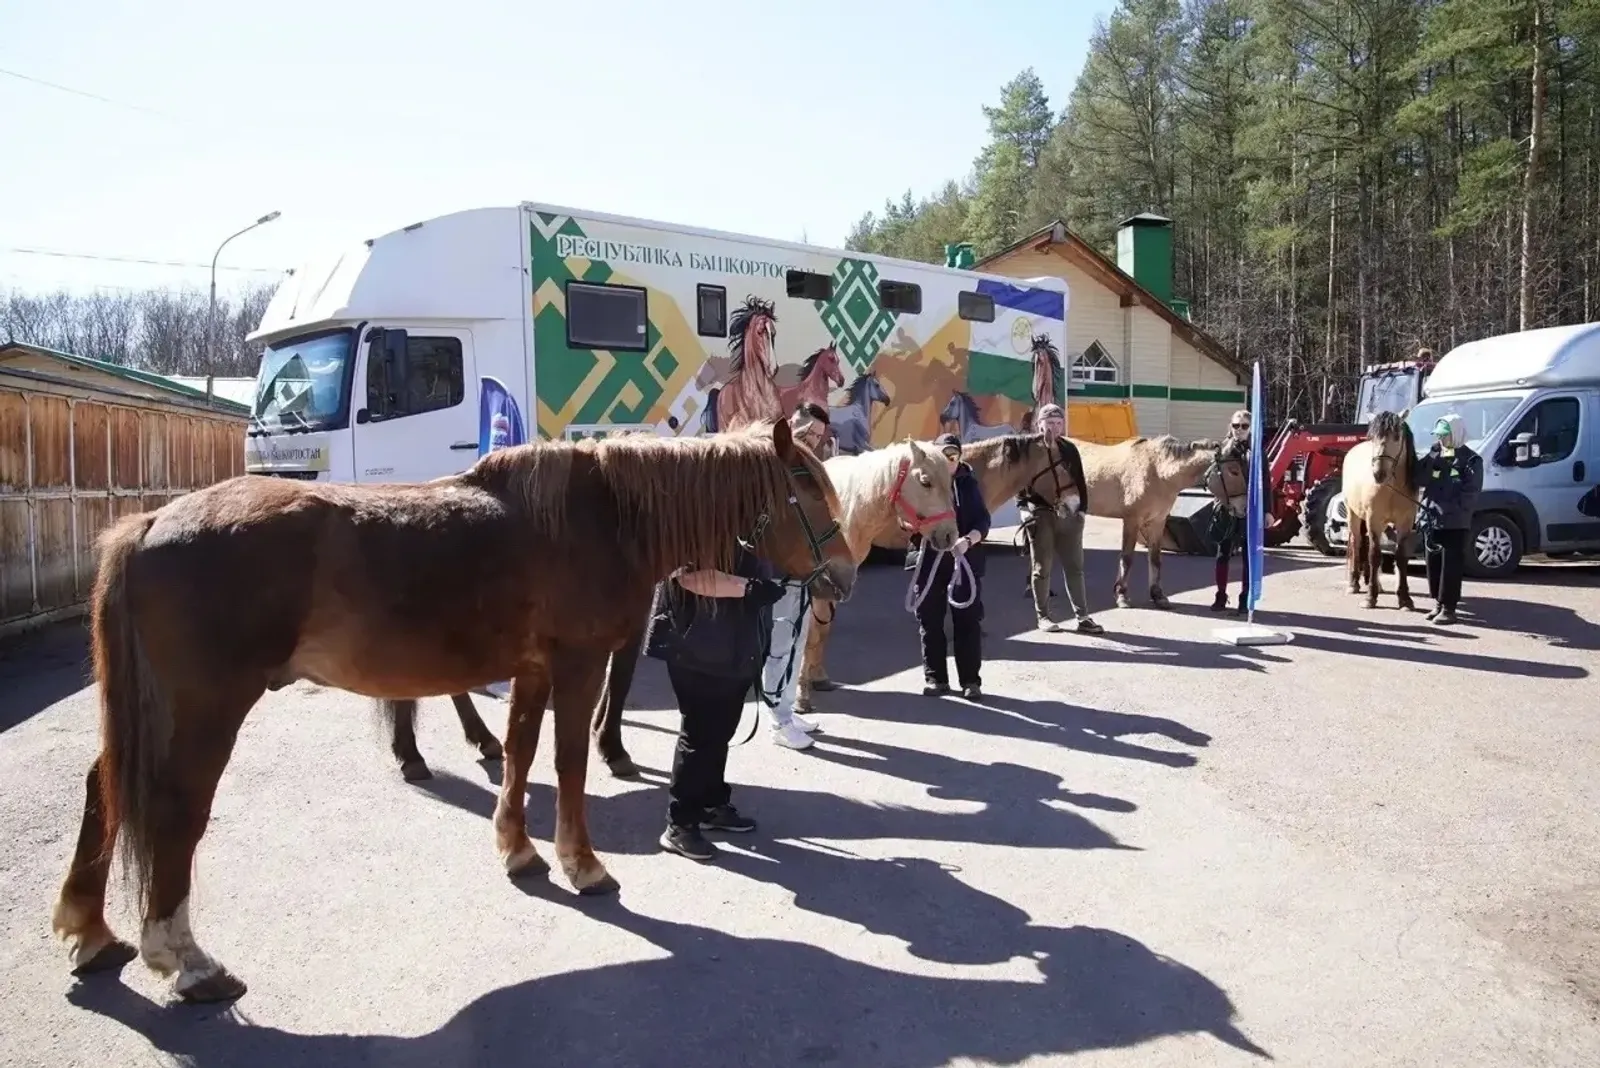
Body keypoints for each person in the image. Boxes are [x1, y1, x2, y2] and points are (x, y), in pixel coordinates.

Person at [644, 543, 789, 861]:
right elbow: (686, 575)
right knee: (700, 732)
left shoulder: (754, 516)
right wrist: (747, 588)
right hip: (696, 642)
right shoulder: (699, 513)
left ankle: (710, 803)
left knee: (721, 729)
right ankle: (679, 824)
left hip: (737, 643)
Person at [761, 404, 833, 751]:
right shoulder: (775, 462)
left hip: (803, 569)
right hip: (781, 570)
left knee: (796, 641)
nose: (814, 439)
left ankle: (785, 709)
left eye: (819, 435)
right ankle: (778, 720)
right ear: (792, 423)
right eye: (808, 431)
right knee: (779, 644)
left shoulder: (804, 466)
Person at [910, 433, 991, 700]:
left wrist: (969, 541)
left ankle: (970, 680)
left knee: (967, 620)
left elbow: (983, 521)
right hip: (929, 560)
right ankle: (936, 679)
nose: (948, 461)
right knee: (930, 621)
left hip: (963, 560)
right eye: (942, 456)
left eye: (953, 456)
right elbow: (905, 518)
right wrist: (914, 528)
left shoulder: (968, 484)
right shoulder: (923, 483)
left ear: (959, 458)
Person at [1017, 403, 1101, 635]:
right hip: (1040, 515)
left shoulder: (1069, 449)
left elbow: (1080, 482)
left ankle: (1083, 617)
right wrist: (1023, 507)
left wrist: (1082, 511)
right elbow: (1019, 481)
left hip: (1069, 516)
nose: (1053, 427)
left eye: (1058, 423)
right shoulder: (1030, 450)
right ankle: (1043, 616)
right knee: (1041, 568)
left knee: (1075, 567)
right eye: (1049, 423)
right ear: (1039, 424)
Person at [1413, 412, 1482, 626]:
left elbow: (1470, 493)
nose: (1441, 439)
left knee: (1450, 566)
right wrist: (1431, 460)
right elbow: (1420, 479)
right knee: (1433, 564)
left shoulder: (1471, 460)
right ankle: (1437, 603)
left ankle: (1449, 608)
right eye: (1439, 435)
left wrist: (1449, 510)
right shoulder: (1436, 455)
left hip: (1454, 523)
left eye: (1445, 435)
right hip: (1431, 520)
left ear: (1456, 434)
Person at [1210, 409, 1255, 615]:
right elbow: (1212, 479)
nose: (1239, 430)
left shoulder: (1256, 452)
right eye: (1236, 425)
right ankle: (1221, 595)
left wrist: (1267, 511)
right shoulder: (1222, 450)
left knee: (1248, 556)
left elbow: (1265, 481)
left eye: (1244, 426)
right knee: (1223, 554)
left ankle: (1245, 598)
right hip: (1227, 508)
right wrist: (1222, 501)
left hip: (1249, 509)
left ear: (1250, 428)